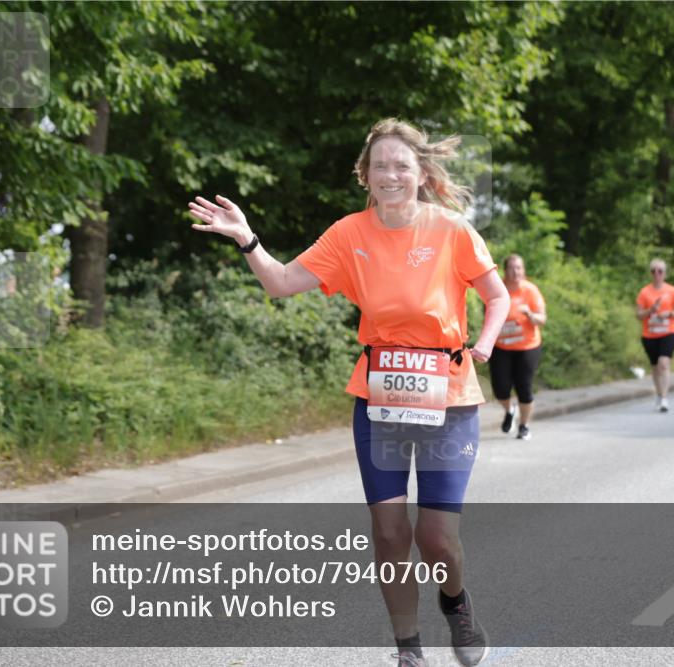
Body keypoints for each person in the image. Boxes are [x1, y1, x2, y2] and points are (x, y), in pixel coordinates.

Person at [188, 118, 509, 667]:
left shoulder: (452, 230)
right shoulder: (348, 234)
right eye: (380, 165)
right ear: (365, 175)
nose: (391, 175)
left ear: (422, 174)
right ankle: (408, 647)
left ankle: (456, 604)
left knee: (435, 540)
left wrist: (483, 343)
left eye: (402, 165)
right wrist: (247, 239)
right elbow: (281, 282)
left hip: (448, 399)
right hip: (380, 398)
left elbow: (497, 297)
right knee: (389, 536)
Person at [489, 254, 547, 440]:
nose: (516, 272)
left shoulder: (530, 291)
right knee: (500, 389)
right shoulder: (498, 289)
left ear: (524, 270)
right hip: (502, 347)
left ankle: (524, 426)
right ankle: (509, 410)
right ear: (505, 271)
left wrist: (530, 314)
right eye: (512, 268)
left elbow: (542, 319)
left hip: (527, 347)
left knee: (524, 387)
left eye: (519, 268)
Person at [635, 259, 674, 412]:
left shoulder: (672, 291)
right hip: (649, 334)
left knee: (664, 363)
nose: (657, 274)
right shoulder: (644, 292)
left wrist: (668, 314)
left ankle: (664, 398)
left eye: (660, 271)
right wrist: (651, 311)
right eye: (653, 271)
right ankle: (658, 393)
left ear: (665, 273)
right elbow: (638, 315)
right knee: (655, 367)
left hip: (668, 332)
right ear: (650, 273)